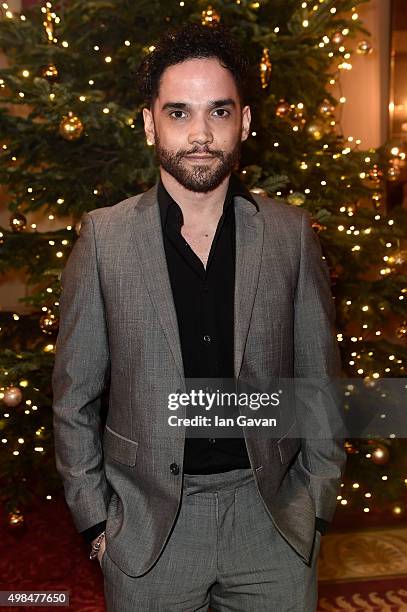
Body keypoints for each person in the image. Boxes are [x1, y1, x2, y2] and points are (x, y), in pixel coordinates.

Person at [52, 22, 346, 612]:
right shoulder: (105, 239)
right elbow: (74, 397)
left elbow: (320, 381)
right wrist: (96, 524)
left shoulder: (289, 236)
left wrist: (316, 504)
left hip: (273, 522)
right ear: (149, 123)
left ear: (245, 122)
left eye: (219, 112)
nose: (202, 135)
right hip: (149, 528)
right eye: (180, 113)